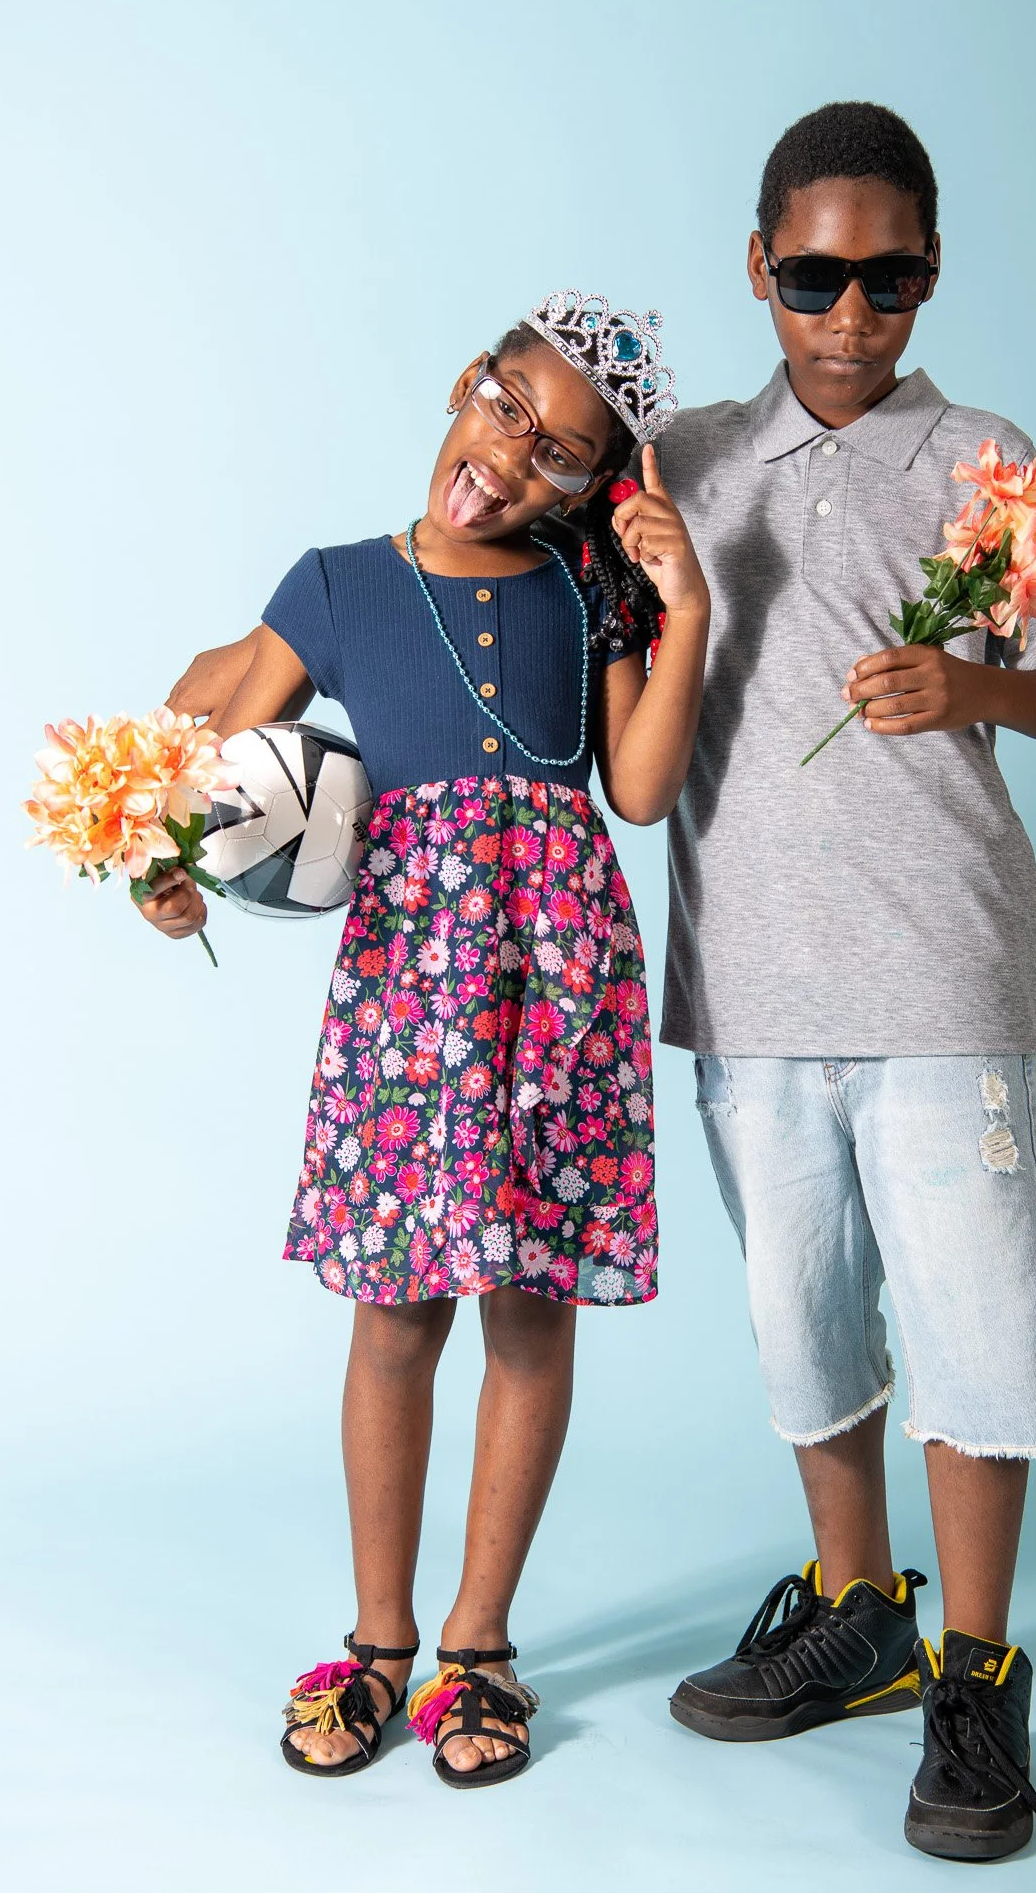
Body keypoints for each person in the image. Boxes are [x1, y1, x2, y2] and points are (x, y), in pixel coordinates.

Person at [143, 293, 709, 1789]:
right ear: (471, 383)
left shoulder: (588, 596)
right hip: (412, 992)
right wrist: (161, 863)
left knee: (531, 1312)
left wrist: (690, 613)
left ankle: (480, 1646)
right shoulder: (334, 586)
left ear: (595, 487)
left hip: (560, 979)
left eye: (564, 456)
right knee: (396, 1315)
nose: (514, 458)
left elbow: (641, 790)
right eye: (508, 409)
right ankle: (379, 1641)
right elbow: (209, 753)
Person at [655, 102, 1036, 1863]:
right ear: (760, 265)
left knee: (977, 1343)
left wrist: (974, 687)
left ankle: (977, 1677)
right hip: (749, 975)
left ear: (931, 273)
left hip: (940, 966)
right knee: (806, 1330)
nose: (853, 315)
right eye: (818, 275)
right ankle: (860, 1618)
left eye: (893, 276)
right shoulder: (684, 461)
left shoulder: (991, 461)